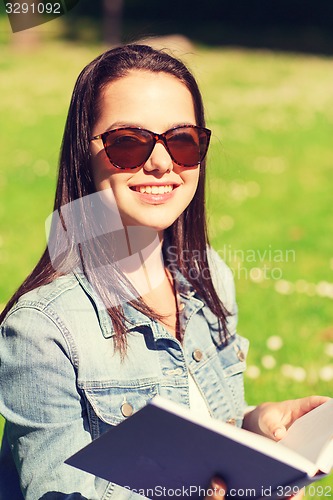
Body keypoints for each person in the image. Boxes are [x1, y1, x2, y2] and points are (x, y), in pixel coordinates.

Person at [0, 44, 328, 500]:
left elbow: (201, 422)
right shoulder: (41, 330)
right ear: (84, 152)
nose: (161, 163)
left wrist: (260, 424)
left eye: (182, 141)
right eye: (128, 143)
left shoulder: (208, 276)